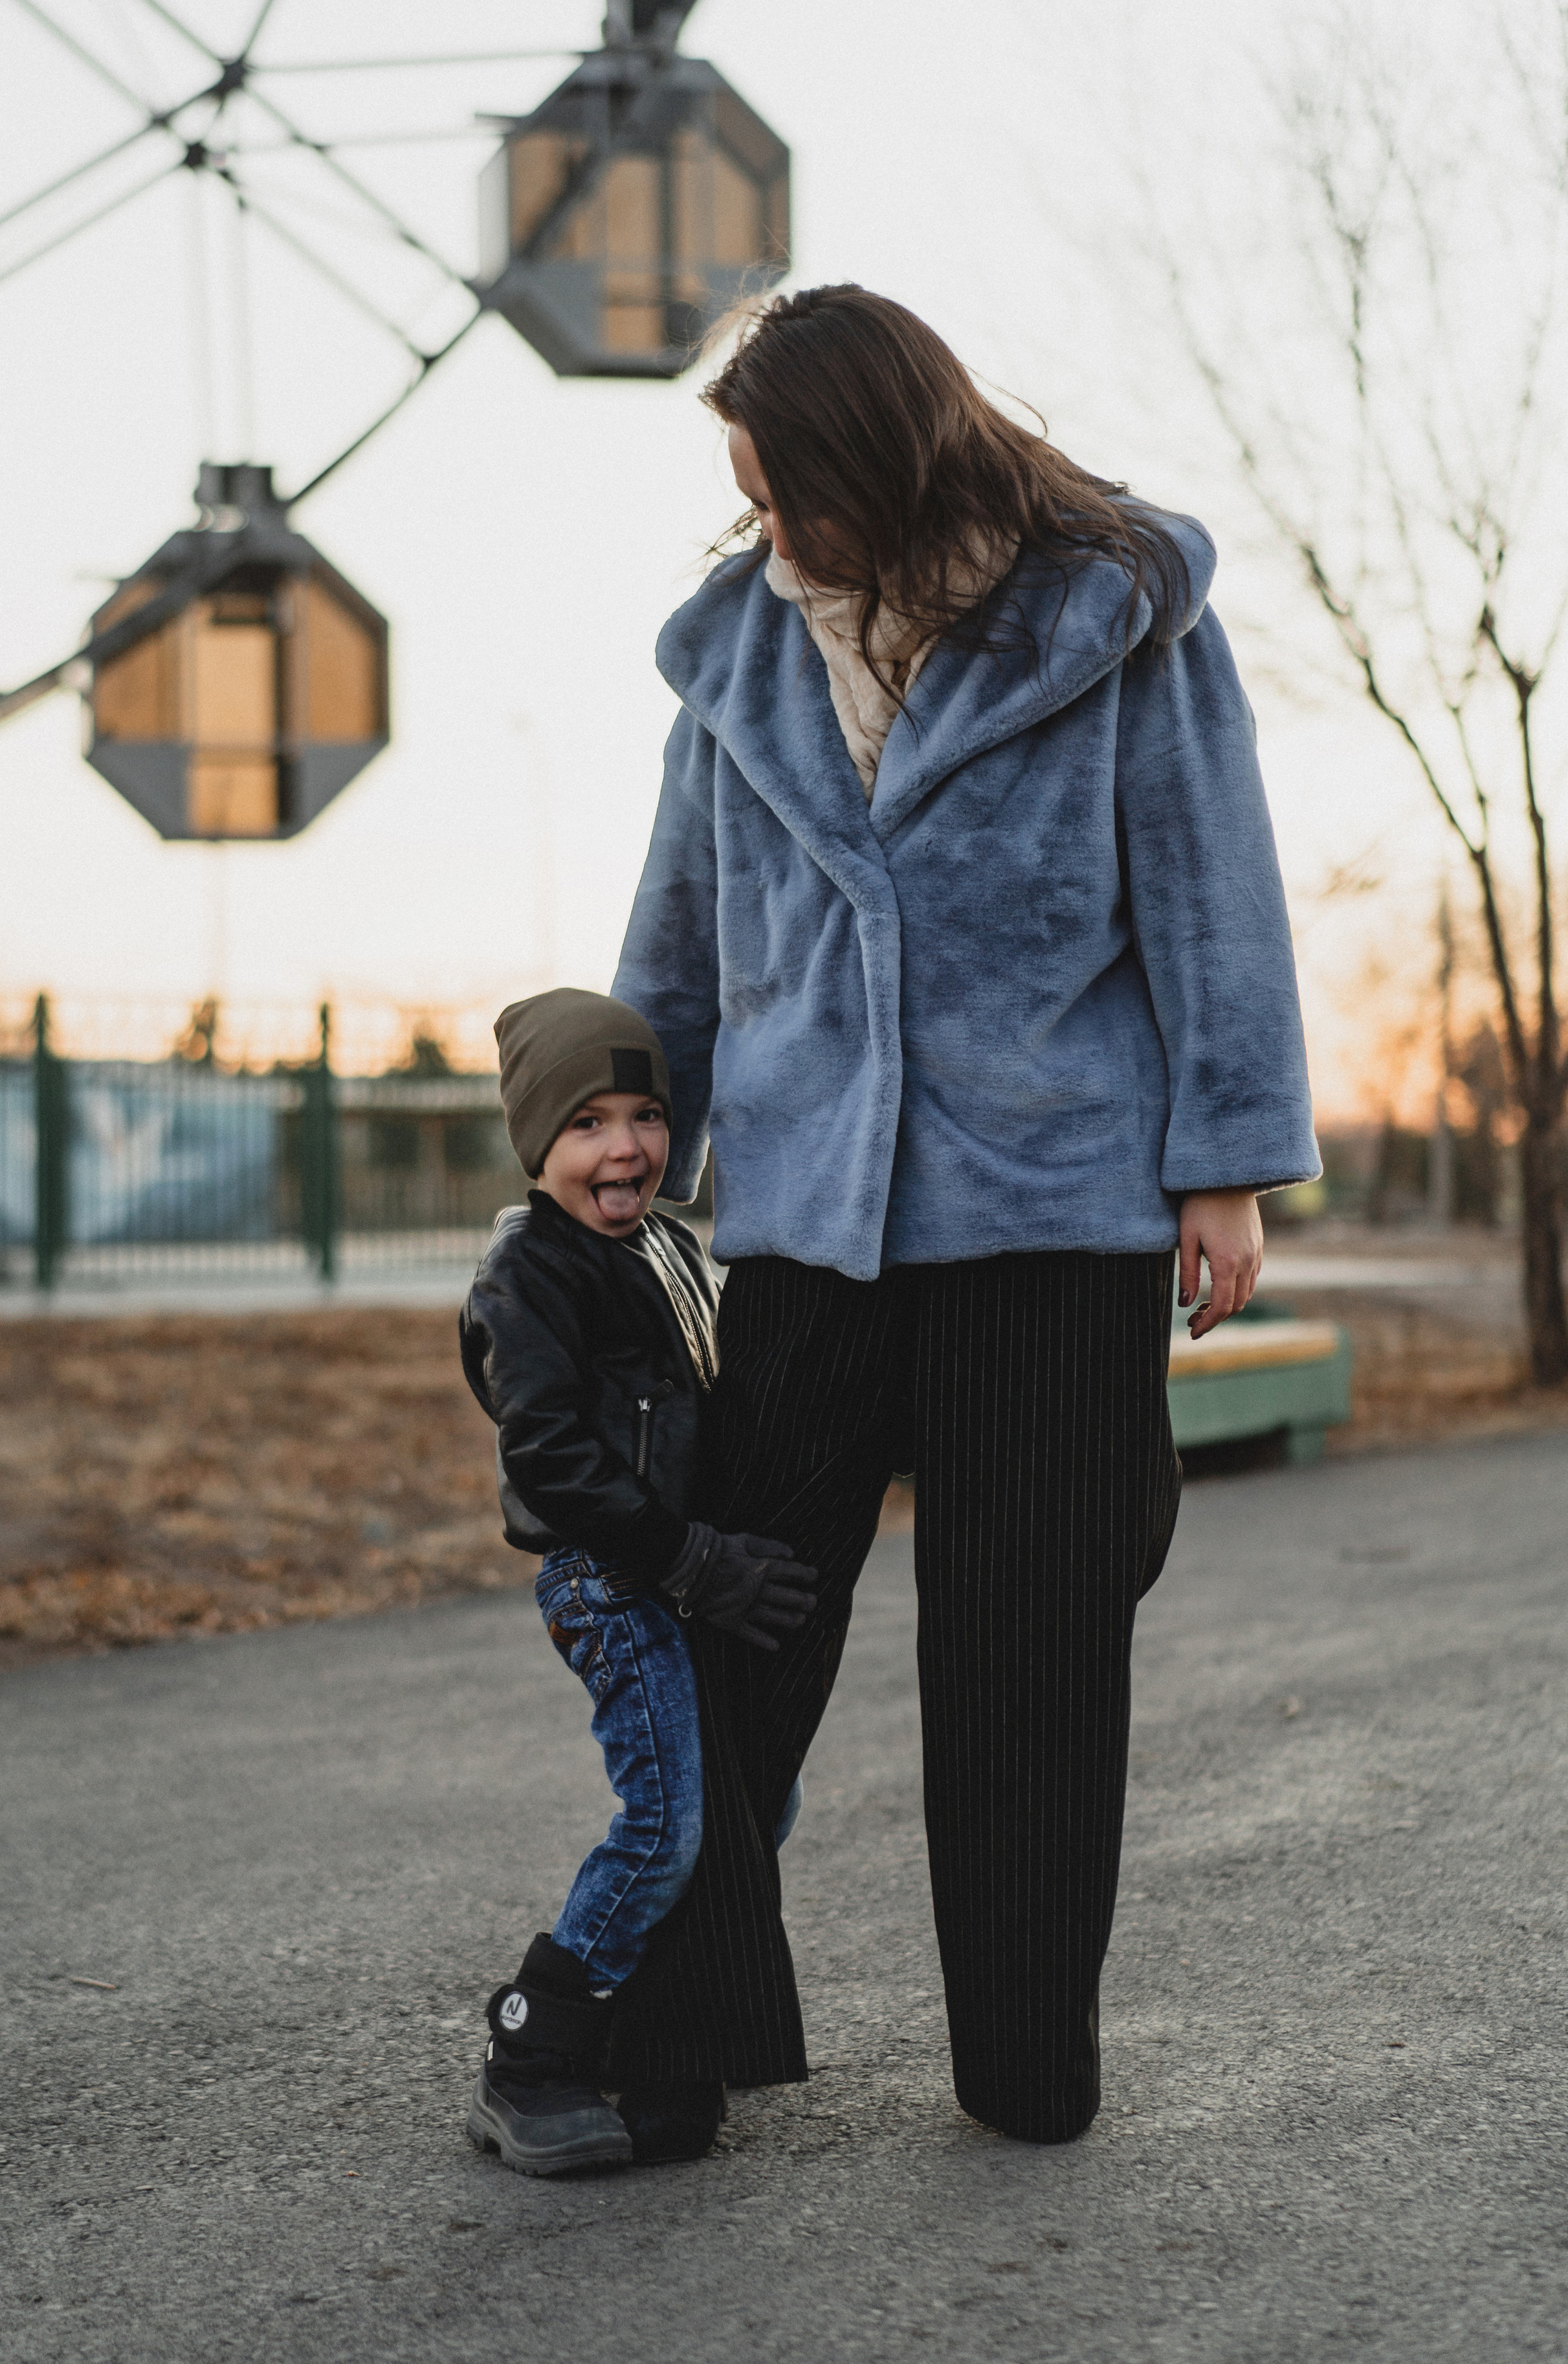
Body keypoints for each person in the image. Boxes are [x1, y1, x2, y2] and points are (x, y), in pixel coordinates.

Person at [607, 285, 1320, 2149]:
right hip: (804, 1228)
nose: (771, 535)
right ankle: (667, 2052)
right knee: (733, 1636)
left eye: (793, 495)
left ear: (888, 461)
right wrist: (626, 1145)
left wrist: (1225, 1164)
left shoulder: (1115, 615)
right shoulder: (738, 657)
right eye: (749, 499)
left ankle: (1025, 2069)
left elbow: (1214, 891)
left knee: (1030, 1658)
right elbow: (676, 929)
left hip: (1053, 1220)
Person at [459, 987, 817, 2176]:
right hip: (611, 1580)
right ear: (537, 1144)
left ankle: (655, 2021)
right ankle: (531, 2054)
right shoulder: (528, 1272)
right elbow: (550, 1458)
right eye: (588, 1124)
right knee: (667, 1825)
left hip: (675, 1570)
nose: (626, 1148)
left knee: (758, 1803)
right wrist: (687, 1558)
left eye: (647, 1115)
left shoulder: (665, 1246)